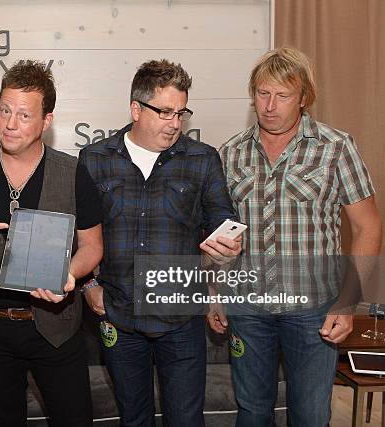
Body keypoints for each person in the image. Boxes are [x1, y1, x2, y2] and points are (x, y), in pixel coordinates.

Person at [214, 46, 382, 426]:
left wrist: (347, 303)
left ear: (304, 98)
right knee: (252, 414)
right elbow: (218, 233)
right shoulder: (230, 153)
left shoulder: (336, 148)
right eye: (262, 93)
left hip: (314, 313)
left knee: (309, 416)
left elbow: (367, 226)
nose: (270, 105)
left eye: (283, 95)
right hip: (247, 310)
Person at [0, 60, 103, 427]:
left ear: (46, 121)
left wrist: (68, 274)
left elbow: (92, 247)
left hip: (56, 329)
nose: (10, 124)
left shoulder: (73, 174)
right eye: (4, 111)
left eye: (24, 116)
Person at [78, 59, 241, 426]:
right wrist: (88, 286)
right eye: (165, 112)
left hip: (181, 319)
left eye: (181, 113)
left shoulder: (202, 159)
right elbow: (77, 233)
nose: (175, 123)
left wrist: (227, 248)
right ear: (136, 108)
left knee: (186, 420)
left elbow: (221, 221)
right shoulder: (95, 160)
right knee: (134, 420)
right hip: (119, 317)